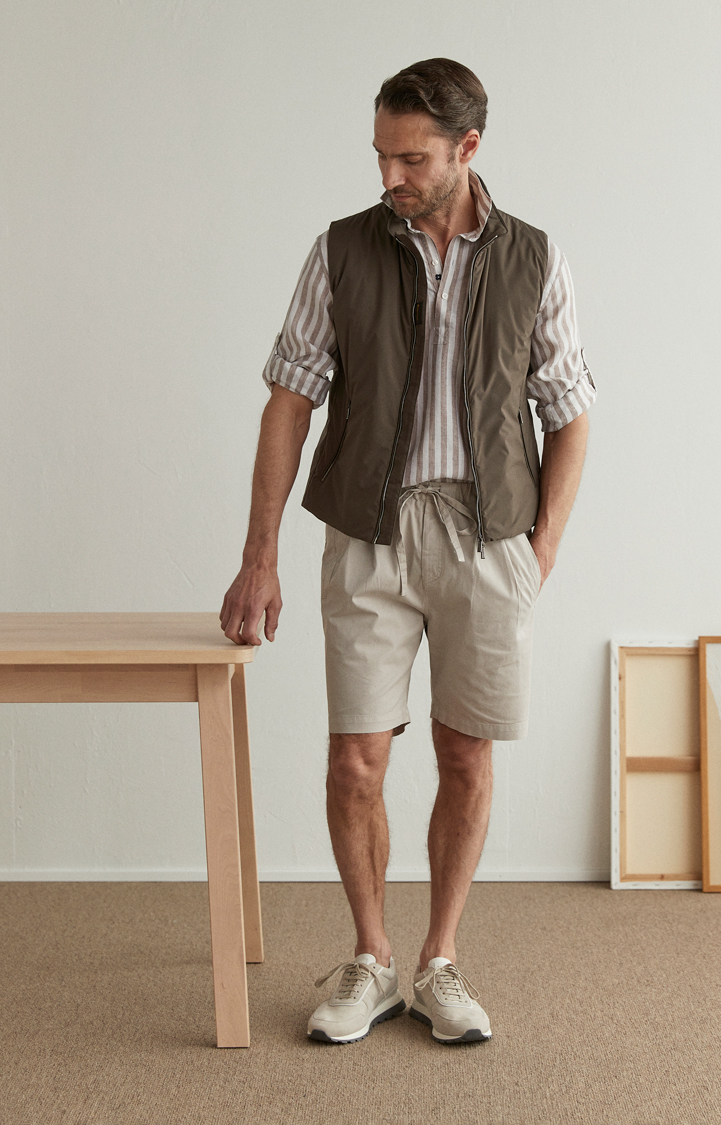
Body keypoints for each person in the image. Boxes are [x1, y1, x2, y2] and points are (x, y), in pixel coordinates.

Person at [220, 57, 596, 1045]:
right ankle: (372, 958)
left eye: (412, 157)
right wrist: (258, 555)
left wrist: (538, 553)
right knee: (356, 760)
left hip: (486, 538)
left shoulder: (534, 258)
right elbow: (289, 401)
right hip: (368, 535)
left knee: (465, 754)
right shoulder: (340, 251)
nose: (389, 174)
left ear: (469, 149)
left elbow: (571, 413)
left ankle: (440, 962)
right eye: (380, 154)